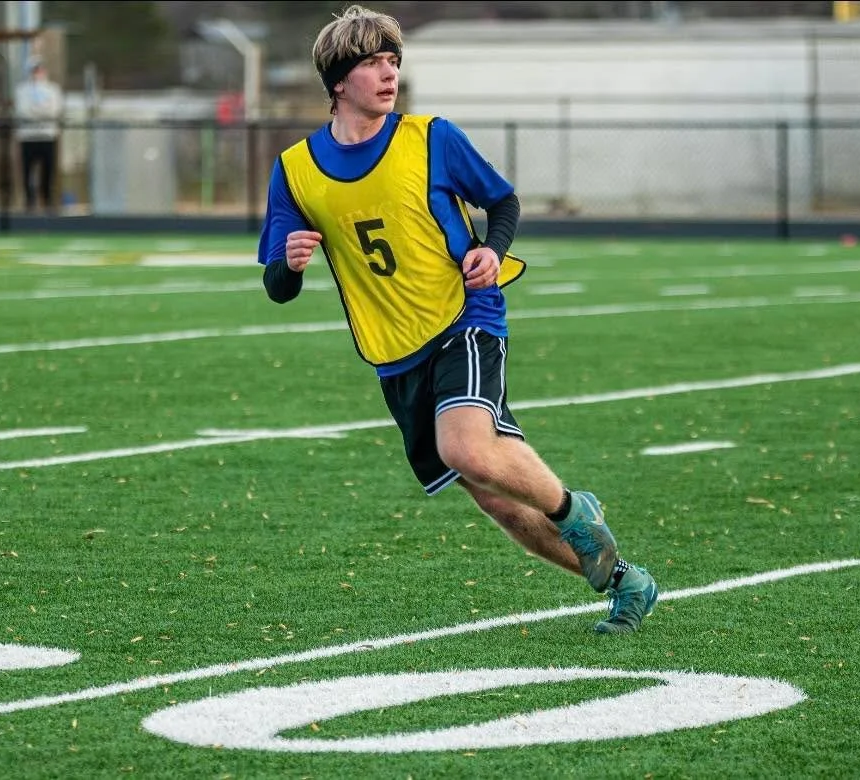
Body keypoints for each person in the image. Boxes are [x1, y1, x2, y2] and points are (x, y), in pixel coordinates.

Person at [257, 5, 658, 634]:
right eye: (371, 62)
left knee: (464, 447)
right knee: (498, 499)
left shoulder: (432, 137)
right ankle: (622, 579)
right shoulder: (296, 170)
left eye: (393, 60)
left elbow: (502, 200)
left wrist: (489, 252)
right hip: (393, 352)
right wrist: (290, 262)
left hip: (464, 317)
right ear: (338, 81)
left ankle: (575, 509)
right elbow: (277, 287)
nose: (388, 74)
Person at [13, 56, 63, 213]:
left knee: (48, 171)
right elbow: (23, 111)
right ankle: (30, 202)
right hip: (28, 136)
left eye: (40, 69)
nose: (37, 73)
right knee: (28, 170)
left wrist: (38, 111)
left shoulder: (53, 90)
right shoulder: (21, 90)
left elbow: (54, 110)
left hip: (47, 135)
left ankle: (47, 202)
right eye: (34, 70)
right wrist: (41, 111)